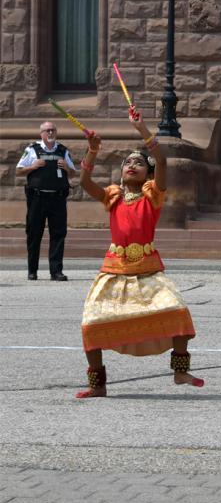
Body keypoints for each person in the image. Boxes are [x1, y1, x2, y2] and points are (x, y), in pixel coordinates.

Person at [74, 109, 203, 398]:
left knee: (178, 315)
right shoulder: (112, 197)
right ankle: (97, 384)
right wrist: (92, 152)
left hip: (147, 269)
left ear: (148, 173)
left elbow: (162, 160)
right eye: (127, 162)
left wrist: (143, 129)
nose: (132, 165)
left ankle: (180, 371)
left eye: (139, 162)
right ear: (121, 172)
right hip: (114, 270)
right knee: (93, 322)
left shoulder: (153, 196)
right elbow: (84, 183)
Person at [15, 121, 78, 281]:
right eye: (47, 130)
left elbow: (73, 174)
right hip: (37, 198)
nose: (50, 133)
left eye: (53, 130)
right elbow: (18, 171)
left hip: (57, 199)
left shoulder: (63, 150)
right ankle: (32, 270)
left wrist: (67, 168)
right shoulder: (32, 150)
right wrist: (33, 166)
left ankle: (56, 271)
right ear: (41, 133)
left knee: (58, 234)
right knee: (34, 234)